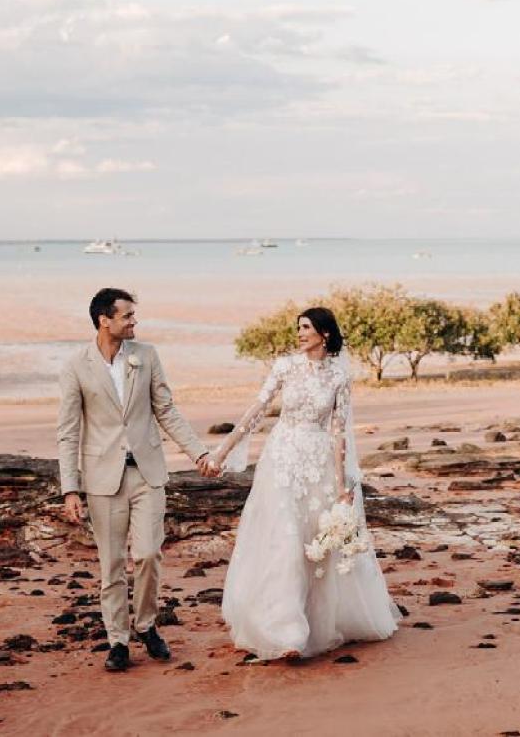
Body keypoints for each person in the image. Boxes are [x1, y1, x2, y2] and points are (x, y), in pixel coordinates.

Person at [208, 307, 400, 660]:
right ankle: (285, 632)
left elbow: (339, 431)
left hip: (319, 464)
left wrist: (344, 486)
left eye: (306, 327)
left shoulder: (339, 377)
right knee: (284, 538)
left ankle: (313, 621)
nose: (299, 333)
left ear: (324, 333)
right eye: (298, 327)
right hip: (282, 460)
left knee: (315, 541)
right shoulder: (285, 367)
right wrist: (222, 452)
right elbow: (257, 410)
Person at [56, 287, 218, 672]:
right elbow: (68, 431)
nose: (134, 322)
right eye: (127, 316)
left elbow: (167, 410)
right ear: (104, 320)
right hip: (101, 479)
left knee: (148, 554)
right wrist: (70, 488)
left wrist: (199, 453)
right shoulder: (75, 365)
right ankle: (117, 641)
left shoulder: (146, 356)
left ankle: (146, 625)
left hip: (147, 471)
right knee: (111, 565)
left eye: (133, 316)